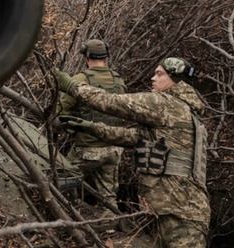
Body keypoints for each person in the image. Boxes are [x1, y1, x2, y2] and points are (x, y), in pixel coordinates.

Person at [54, 57, 210, 248]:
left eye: (159, 74)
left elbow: (112, 102)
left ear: (176, 79)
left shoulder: (165, 104)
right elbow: (133, 137)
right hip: (177, 207)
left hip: (181, 211)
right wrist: (91, 127)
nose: (153, 78)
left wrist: (73, 87)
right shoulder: (184, 111)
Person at [56, 39, 126, 214]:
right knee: (109, 195)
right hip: (114, 148)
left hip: (88, 150)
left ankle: (67, 218)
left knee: (62, 180)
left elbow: (61, 112)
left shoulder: (80, 80)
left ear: (87, 57)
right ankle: (110, 225)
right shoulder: (118, 80)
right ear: (106, 58)